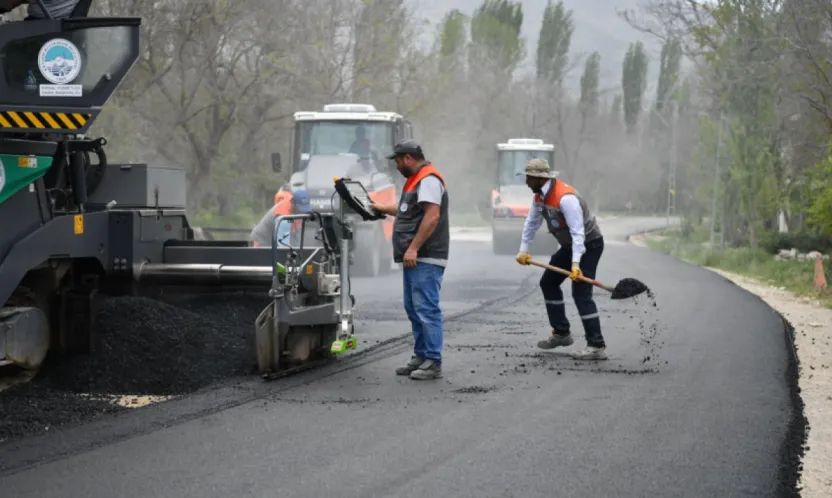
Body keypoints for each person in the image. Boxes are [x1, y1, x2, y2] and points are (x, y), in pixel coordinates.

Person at [369, 139, 449, 380]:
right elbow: (407, 210)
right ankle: (422, 355)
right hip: (415, 256)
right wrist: (382, 208)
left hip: (425, 255)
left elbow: (432, 217)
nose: (396, 166)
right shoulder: (415, 181)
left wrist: (413, 248)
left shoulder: (429, 180)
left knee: (426, 308)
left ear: (407, 158)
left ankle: (433, 361)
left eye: (397, 161)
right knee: (413, 307)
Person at [515, 158, 608, 361]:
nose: (526, 182)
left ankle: (596, 344)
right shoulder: (539, 196)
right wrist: (523, 250)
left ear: (540, 178)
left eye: (529, 178)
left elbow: (578, 234)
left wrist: (576, 264)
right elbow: (531, 223)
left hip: (589, 244)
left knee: (581, 292)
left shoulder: (566, 198)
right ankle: (561, 333)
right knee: (548, 282)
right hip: (569, 246)